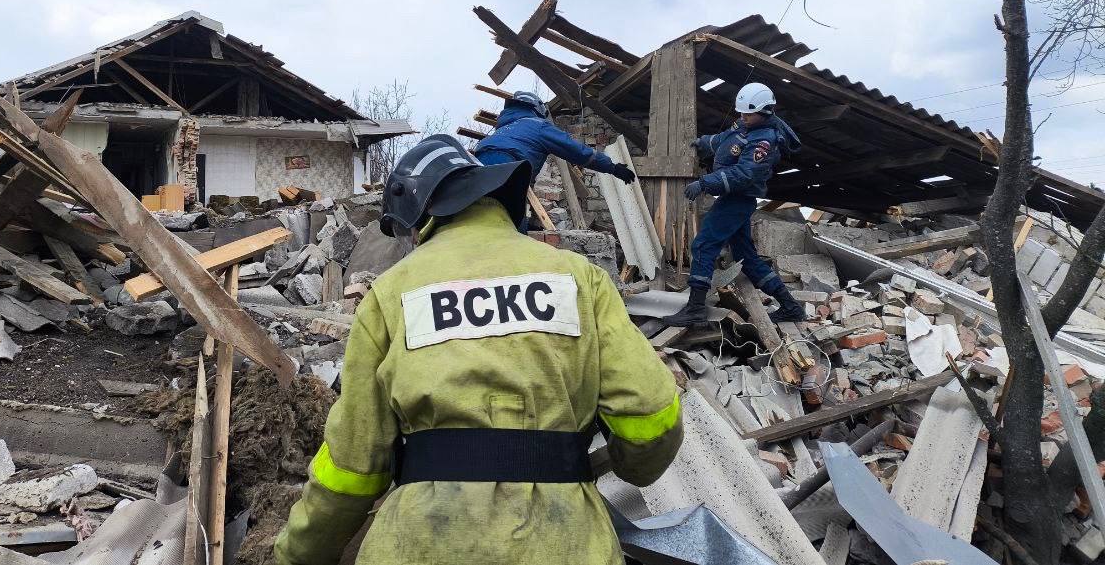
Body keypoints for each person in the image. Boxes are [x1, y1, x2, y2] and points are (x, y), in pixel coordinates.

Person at [274, 134, 683, 565]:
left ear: (420, 217)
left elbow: (352, 464)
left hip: (422, 546)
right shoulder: (579, 278)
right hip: (565, 543)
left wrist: (297, 554)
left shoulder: (392, 293)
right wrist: (629, 467)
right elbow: (650, 410)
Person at [669, 83, 806, 327]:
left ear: (765, 112)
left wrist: (704, 183)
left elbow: (744, 174)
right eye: (741, 112)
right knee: (747, 257)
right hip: (733, 200)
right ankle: (791, 307)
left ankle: (695, 309)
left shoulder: (764, 141)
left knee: (703, 245)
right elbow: (725, 140)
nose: (742, 117)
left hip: (737, 200)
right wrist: (703, 142)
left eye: (748, 114)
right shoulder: (746, 124)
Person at [475, 89, 636, 191]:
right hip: (509, 165)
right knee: (510, 220)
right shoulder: (537, 125)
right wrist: (612, 167)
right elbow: (574, 150)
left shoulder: (502, 130)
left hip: (477, 162)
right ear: (537, 109)